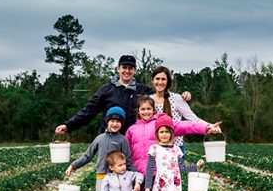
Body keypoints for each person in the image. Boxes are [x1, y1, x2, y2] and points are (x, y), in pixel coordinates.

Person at [126, 96, 222, 191]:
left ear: (153, 110)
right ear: (138, 111)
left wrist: (206, 128)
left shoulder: (160, 125)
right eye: (142, 109)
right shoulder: (132, 129)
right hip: (140, 174)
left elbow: (186, 126)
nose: (146, 112)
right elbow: (127, 151)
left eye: (149, 109)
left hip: (160, 175)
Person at [55, 55, 192, 135]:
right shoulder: (106, 89)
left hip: (133, 138)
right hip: (109, 136)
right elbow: (88, 111)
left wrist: (183, 95)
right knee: (108, 177)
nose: (127, 71)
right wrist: (68, 125)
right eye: (124, 68)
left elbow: (162, 94)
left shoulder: (143, 90)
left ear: (135, 71)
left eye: (130, 68)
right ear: (118, 69)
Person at [66, 106, 136, 191]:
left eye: (118, 121)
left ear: (122, 123)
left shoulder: (123, 140)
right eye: (112, 120)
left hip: (117, 178)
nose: (115, 124)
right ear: (107, 121)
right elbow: (87, 156)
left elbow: (128, 161)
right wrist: (73, 165)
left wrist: (136, 177)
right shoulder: (100, 138)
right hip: (101, 177)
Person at [150, 66, 210, 154]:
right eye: (157, 79)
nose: (160, 82)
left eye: (163, 79)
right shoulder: (148, 100)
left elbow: (193, 118)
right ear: (152, 80)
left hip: (176, 147)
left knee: (180, 168)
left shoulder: (177, 99)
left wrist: (209, 126)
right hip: (155, 148)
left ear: (168, 82)